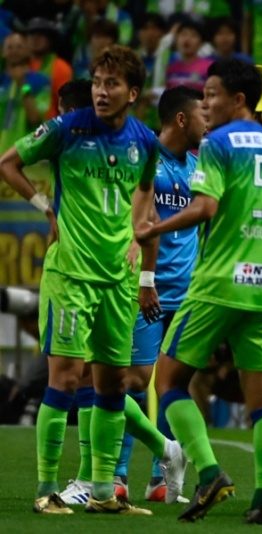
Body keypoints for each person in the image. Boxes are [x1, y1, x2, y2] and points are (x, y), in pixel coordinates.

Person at [136, 58, 262, 525]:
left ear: (238, 99)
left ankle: (210, 472)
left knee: (169, 380)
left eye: (212, 94)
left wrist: (154, 227)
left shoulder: (217, 142)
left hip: (216, 283)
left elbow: (205, 206)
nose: (206, 104)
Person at [0, 44, 174, 515]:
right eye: (97, 83)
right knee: (66, 378)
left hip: (118, 279)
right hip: (71, 273)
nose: (101, 91)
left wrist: (139, 253)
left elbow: (143, 200)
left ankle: (102, 493)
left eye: (111, 84)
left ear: (132, 92)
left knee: (114, 384)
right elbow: (7, 163)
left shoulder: (145, 142)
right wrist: (46, 208)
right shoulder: (66, 129)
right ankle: (46, 489)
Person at [112, 86, 206, 504]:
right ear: (181, 119)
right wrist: (141, 280)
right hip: (144, 288)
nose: (208, 122)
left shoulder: (199, 165)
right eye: (202, 114)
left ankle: (161, 479)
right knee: (133, 379)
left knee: (172, 385)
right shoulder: (144, 157)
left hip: (186, 293)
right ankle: (115, 475)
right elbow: (136, 220)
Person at [0, 32, 51, 154]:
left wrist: (22, 85)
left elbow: (35, 119)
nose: (14, 51)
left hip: (26, 153)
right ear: (3, 52)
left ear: (28, 51)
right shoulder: (1, 81)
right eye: (10, 47)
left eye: (19, 47)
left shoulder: (41, 81)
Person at [24, 17, 72, 120]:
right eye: (31, 34)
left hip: (47, 131)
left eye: (41, 34)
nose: (35, 38)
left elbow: (65, 107)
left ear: (50, 40)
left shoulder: (60, 67)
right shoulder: (18, 64)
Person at [165, 18, 214, 92]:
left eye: (193, 35)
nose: (187, 39)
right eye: (183, 34)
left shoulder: (209, 67)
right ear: (176, 39)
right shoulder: (170, 68)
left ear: (201, 43)